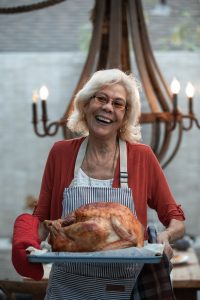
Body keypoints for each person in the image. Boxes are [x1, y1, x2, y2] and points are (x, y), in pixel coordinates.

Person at [12, 69, 185, 299]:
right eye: (101, 98)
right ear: (85, 104)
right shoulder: (61, 153)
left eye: (118, 103)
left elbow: (176, 219)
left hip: (123, 292)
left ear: (125, 115)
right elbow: (43, 220)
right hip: (66, 291)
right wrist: (25, 240)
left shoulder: (141, 157)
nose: (108, 107)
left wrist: (165, 237)